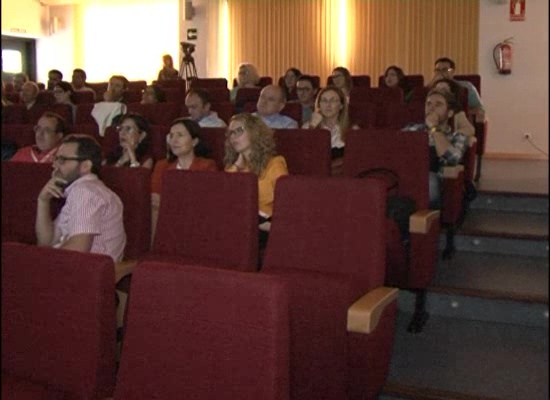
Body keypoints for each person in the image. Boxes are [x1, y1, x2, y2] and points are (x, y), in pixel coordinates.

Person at [35, 134, 126, 263]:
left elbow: (77, 251)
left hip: (85, 274)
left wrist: (39, 261)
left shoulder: (86, 192)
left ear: (85, 166)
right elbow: (46, 242)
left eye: (62, 160)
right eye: (55, 159)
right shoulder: (79, 190)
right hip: (74, 269)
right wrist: (43, 201)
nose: (54, 166)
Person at [224, 113, 288, 245]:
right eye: (231, 133)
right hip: (238, 223)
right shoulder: (232, 168)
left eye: (239, 131)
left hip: (266, 227)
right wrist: (237, 166)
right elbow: (224, 196)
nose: (234, 137)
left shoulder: (275, 164)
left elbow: (286, 206)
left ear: (254, 133)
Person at [402, 88, 469, 209]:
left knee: (430, 180)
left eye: (438, 104)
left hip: (434, 182)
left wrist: (433, 129)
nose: (431, 108)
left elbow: (452, 159)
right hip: (407, 176)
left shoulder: (457, 137)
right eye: (428, 104)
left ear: (450, 113)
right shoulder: (411, 130)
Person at [151, 118, 218, 194]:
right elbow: (155, 197)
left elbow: (206, 195)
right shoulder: (161, 166)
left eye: (180, 135)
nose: (174, 140)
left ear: (194, 141)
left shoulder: (206, 166)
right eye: (171, 136)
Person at [302, 86, 356, 159]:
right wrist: (312, 127)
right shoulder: (307, 127)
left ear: (341, 105)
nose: (328, 105)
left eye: (333, 100)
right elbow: (303, 153)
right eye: (324, 100)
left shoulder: (352, 129)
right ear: (319, 105)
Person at [428, 57, 485, 122]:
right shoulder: (430, 88)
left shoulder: (466, 87)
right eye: (437, 70)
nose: (441, 73)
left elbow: (479, 109)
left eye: (445, 70)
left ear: (453, 72)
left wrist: (460, 112)